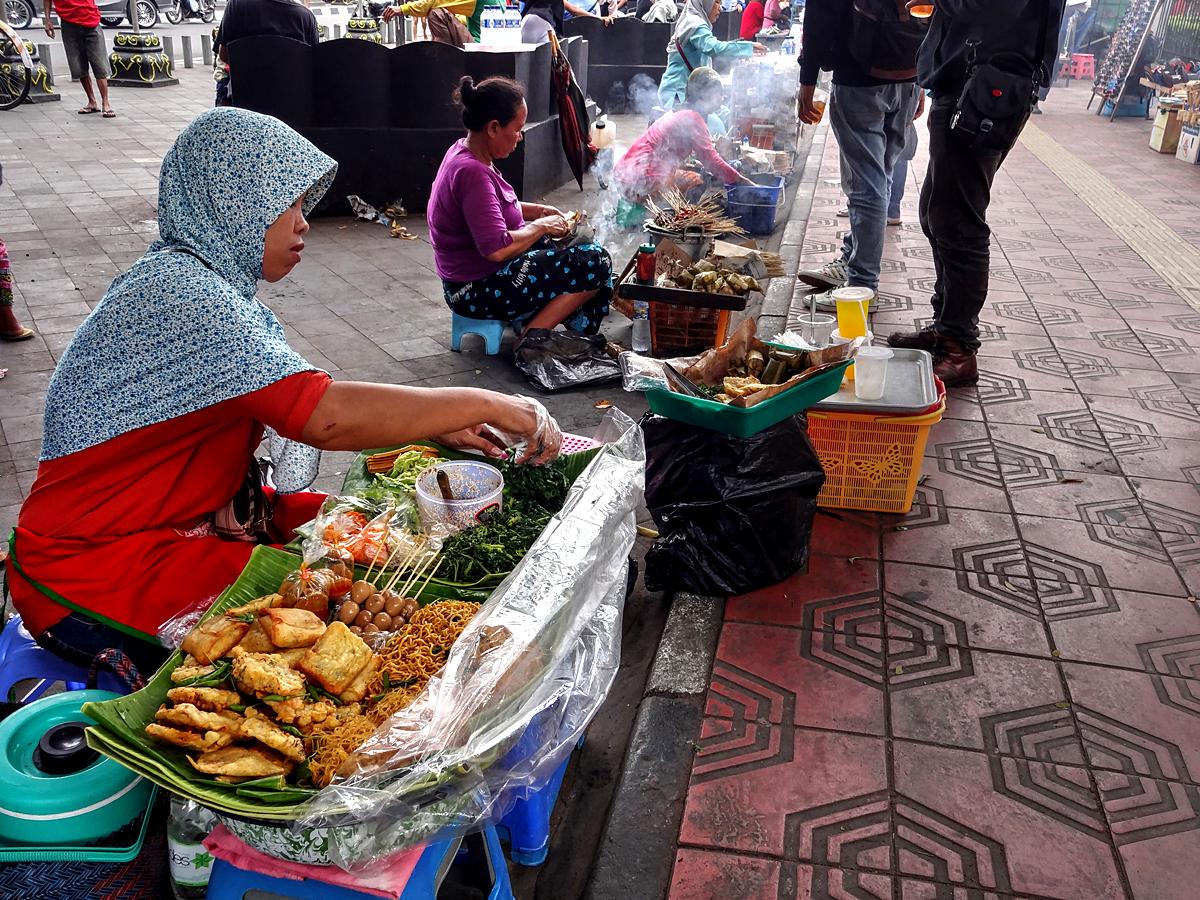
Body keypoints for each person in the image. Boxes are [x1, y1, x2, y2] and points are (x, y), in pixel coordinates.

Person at [6, 107, 561, 674]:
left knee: (361, 534)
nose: (303, 224)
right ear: (236, 204)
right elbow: (325, 416)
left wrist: (436, 420)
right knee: (327, 622)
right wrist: (490, 401)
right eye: (287, 205)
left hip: (185, 521)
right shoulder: (182, 295)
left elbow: (297, 396)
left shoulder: (201, 282)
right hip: (96, 565)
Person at [886, 0, 1065, 387]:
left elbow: (991, 9)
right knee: (936, 215)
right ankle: (945, 325)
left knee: (959, 222)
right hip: (963, 83)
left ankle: (959, 347)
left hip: (983, 90)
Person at [428, 77, 614, 336]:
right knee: (596, 261)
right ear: (494, 128)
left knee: (573, 248)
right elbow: (496, 249)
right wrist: (540, 226)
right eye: (517, 129)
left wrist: (537, 212)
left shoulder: (466, 152)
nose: (520, 137)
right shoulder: (472, 172)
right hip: (474, 290)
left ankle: (546, 319)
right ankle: (532, 336)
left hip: (475, 280)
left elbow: (488, 208)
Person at [795, 0, 924, 310]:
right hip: (908, 74)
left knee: (868, 186)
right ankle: (853, 260)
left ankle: (862, 286)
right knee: (882, 177)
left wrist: (807, 79)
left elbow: (819, 15)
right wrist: (923, 80)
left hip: (859, 80)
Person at [615, 67, 754, 202]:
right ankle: (672, 212)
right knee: (697, 180)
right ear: (706, 94)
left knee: (690, 173)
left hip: (626, 175)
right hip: (638, 182)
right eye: (718, 93)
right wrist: (743, 181)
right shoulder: (693, 118)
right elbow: (712, 162)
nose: (722, 97)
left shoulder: (680, 112)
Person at [658, 0, 766, 108]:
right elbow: (714, 48)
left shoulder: (693, 20)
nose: (720, 8)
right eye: (717, 2)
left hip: (685, 93)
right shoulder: (695, 25)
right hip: (677, 96)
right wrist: (748, 48)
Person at [41, 0, 114, 118]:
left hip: (91, 20)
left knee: (100, 65)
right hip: (69, 23)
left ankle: (106, 102)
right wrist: (47, 20)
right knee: (78, 66)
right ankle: (92, 101)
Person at [216, 0, 320, 64]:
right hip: (292, 90)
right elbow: (313, 62)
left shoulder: (236, 5)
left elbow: (224, 55)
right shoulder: (306, 17)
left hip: (245, 89)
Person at [382, 0, 482, 46]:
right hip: (481, 41)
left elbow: (433, 2)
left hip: (477, 44)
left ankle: (444, 56)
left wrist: (402, 9)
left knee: (436, 13)